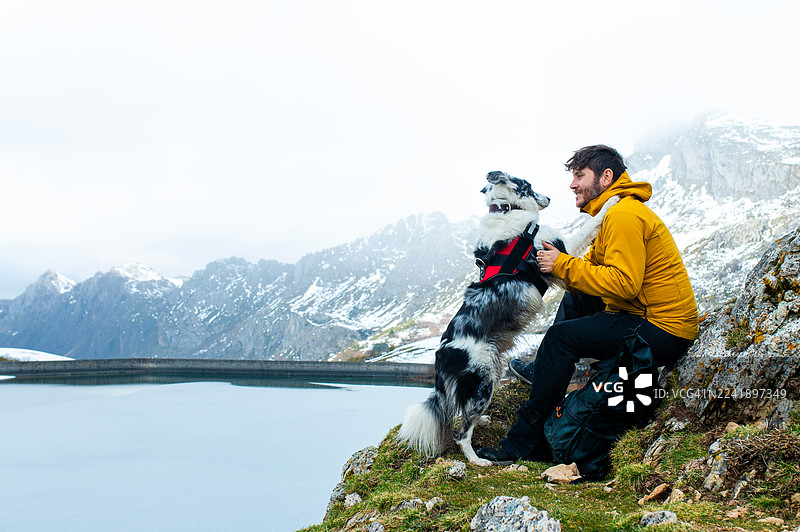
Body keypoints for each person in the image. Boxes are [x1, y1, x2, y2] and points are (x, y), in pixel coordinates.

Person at [475, 144, 699, 465]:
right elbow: (585, 272)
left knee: (559, 341)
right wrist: (551, 264)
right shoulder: (614, 214)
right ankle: (543, 371)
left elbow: (624, 283)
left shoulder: (624, 215)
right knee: (577, 292)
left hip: (662, 330)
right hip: (648, 319)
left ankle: (524, 443)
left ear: (606, 177)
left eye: (580, 175)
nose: (572, 185)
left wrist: (563, 265)